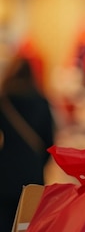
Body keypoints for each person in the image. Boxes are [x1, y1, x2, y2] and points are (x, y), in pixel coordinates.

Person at [0, 50, 55, 231]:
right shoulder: (41, 102)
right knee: (30, 224)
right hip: (32, 176)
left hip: (4, 176)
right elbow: (50, 142)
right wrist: (37, 163)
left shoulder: (4, 102)